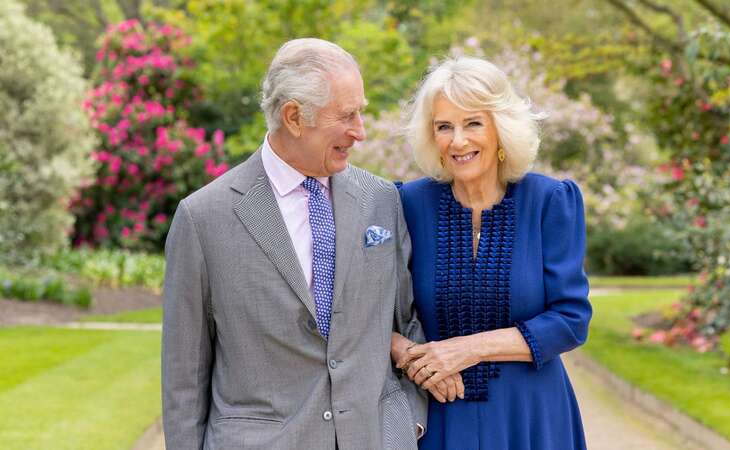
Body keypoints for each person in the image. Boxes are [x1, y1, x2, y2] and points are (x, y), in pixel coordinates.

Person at [161, 38, 429, 450]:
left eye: (361, 111)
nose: (361, 131)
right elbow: (184, 376)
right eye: (347, 115)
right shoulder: (203, 218)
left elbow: (406, 320)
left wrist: (405, 423)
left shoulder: (382, 200)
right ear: (293, 117)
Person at [391, 56, 592, 450]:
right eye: (444, 127)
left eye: (473, 123)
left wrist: (465, 349)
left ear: (501, 128)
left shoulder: (550, 201)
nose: (458, 141)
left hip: (533, 418)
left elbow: (571, 320)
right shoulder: (406, 204)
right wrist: (413, 357)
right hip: (441, 414)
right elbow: (368, 309)